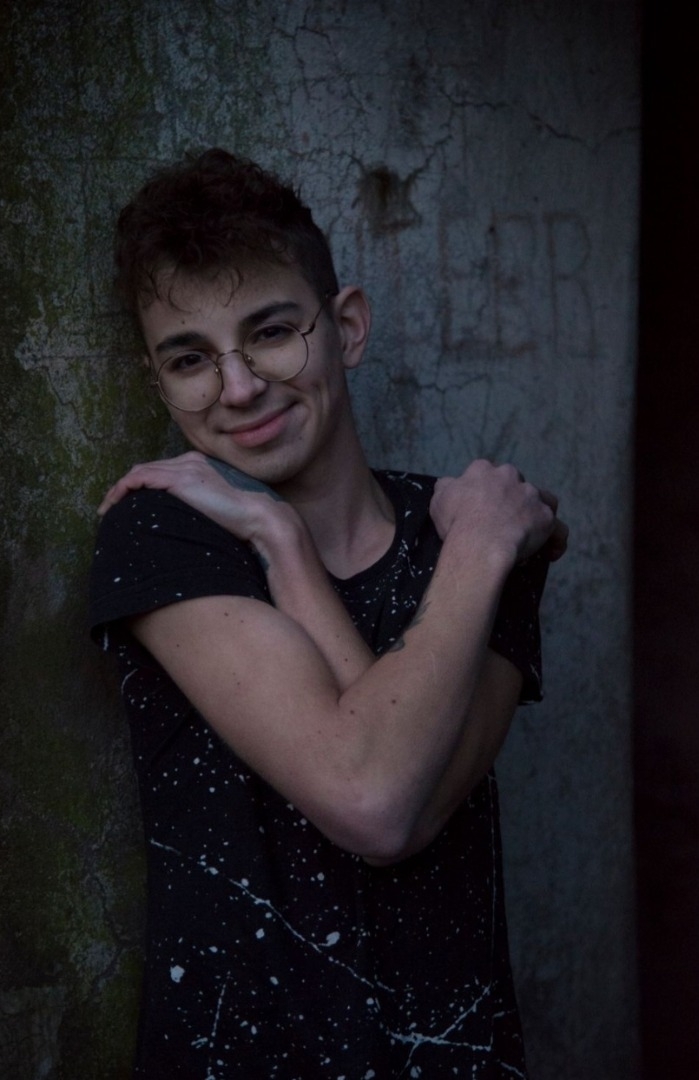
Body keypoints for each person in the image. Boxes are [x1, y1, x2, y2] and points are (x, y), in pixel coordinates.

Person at [90, 147, 567, 1078]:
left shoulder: (466, 538)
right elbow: (373, 801)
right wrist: (476, 549)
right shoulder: (162, 532)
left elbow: (418, 801)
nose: (237, 388)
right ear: (158, 382)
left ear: (345, 326)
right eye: (189, 358)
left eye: (272, 332)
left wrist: (290, 548)